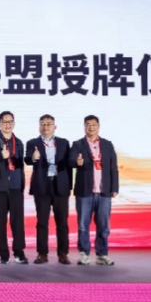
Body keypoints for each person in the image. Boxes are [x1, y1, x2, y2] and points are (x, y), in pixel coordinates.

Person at [69, 115, 118, 266]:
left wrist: (114, 187)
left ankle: (102, 254)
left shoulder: (107, 145)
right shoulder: (78, 144)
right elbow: (70, 161)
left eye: (94, 125)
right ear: (84, 127)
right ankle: (84, 254)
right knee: (83, 225)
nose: (91, 128)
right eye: (88, 125)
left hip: (104, 192)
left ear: (98, 126)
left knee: (103, 225)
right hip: (85, 191)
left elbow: (113, 167)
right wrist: (76, 162)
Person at [24, 114, 72, 265]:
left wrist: (69, 186)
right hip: (42, 186)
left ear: (55, 127)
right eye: (43, 124)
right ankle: (42, 253)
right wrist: (34, 158)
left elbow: (69, 166)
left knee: (62, 222)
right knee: (42, 222)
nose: (46, 127)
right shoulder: (32, 143)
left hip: (60, 186)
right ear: (39, 127)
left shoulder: (64, 143)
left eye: (49, 124)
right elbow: (27, 159)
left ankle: (63, 254)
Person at [0, 111, 28, 264]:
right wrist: (1, 155)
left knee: (18, 222)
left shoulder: (19, 142)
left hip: (16, 187)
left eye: (10, 122)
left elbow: (19, 163)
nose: (8, 124)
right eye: (5, 122)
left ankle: (19, 252)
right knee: (1, 222)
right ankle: (3, 253)